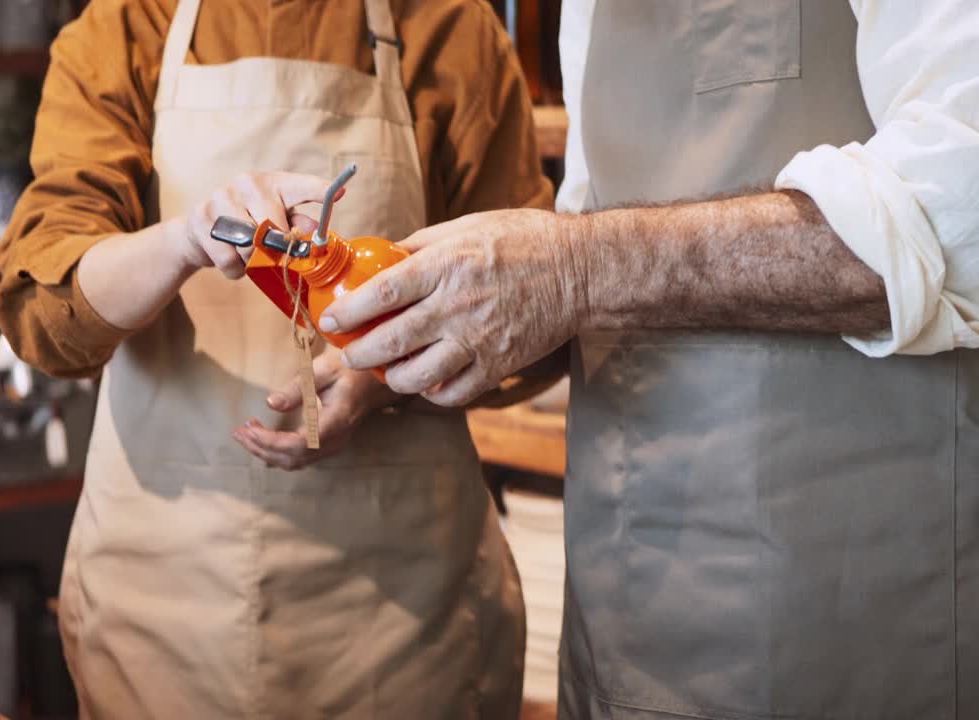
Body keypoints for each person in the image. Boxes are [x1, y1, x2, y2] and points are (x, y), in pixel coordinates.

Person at [321, 2, 979, 719]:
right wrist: (421, 339)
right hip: (618, 610)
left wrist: (575, 269)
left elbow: (960, 200)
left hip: (835, 623)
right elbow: (588, 272)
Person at [0, 0, 553, 717]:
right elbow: (45, 313)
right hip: (166, 612)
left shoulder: (447, 23)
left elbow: (532, 323)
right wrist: (186, 241)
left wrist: (380, 375)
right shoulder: (128, 24)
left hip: (407, 621)